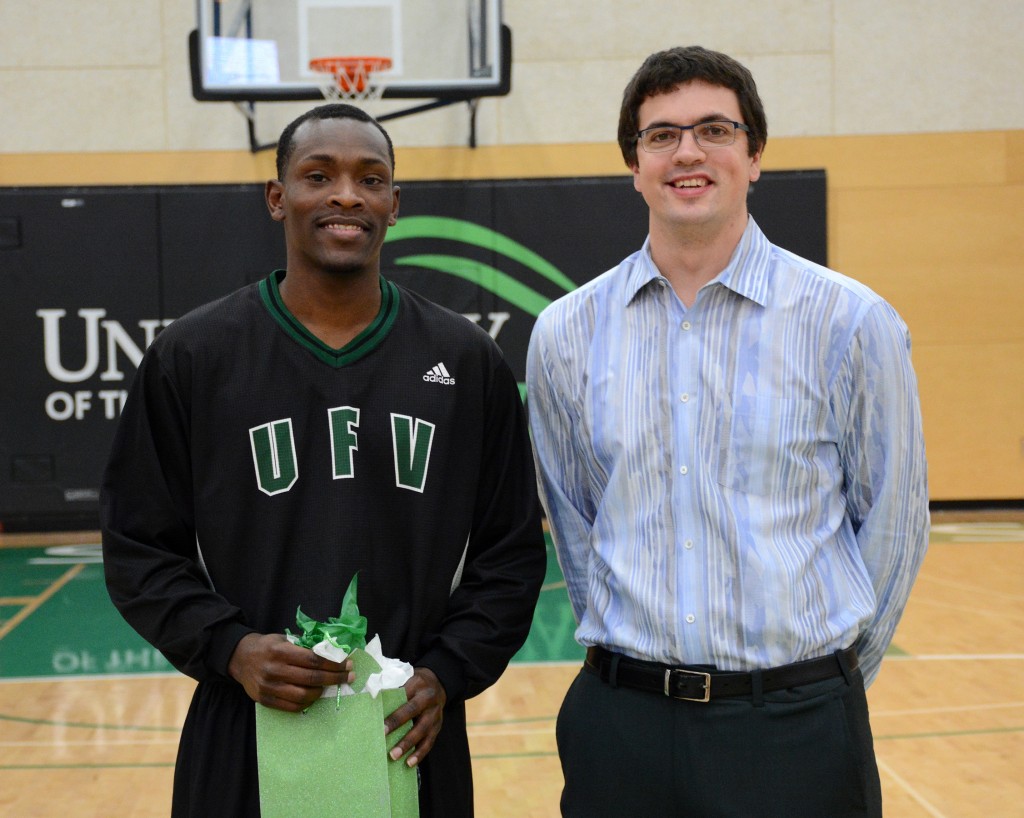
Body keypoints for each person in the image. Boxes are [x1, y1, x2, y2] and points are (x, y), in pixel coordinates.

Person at [101, 103, 546, 817]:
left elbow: (512, 552)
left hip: (409, 728)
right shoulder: (192, 357)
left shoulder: (465, 361)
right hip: (244, 723)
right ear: (278, 198)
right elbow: (136, 547)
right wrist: (231, 647)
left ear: (394, 205)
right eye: (319, 175)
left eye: (371, 179)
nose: (346, 194)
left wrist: (447, 672)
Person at [526, 46, 929, 817]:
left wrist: (817, 687)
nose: (688, 151)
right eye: (661, 135)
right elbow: (575, 522)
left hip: (797, 730)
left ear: (753, 156)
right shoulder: (566, 333)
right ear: (634, 166)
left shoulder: (849, 322)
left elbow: (894, 526)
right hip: (623, 728)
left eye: (715, 129)